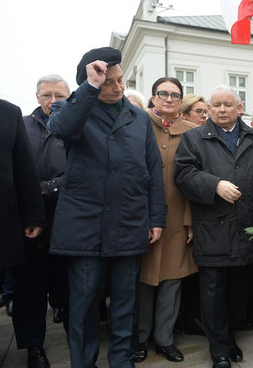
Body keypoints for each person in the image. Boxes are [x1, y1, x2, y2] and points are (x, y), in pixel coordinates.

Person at [47, 47, 166, 368]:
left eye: (119, 80)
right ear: (91, 82)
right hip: (86, 227)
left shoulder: (139, 117)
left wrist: (156, 217)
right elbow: (60, 129)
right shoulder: (71, 108)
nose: (117, 87)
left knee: (126, 303)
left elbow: (153, 170)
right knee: (84, 304)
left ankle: (122, 361)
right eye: (107, 82)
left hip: (129, 223)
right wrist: (88, 87)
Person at [174, 85, 253, 368]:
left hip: (247, 227)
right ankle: (220, 351)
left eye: (228, 105)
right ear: (209, 109)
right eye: (216, 105)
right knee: (213, 293)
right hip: (213, 228)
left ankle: (229, 338)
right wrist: (214, 184)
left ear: (240, 108)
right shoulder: (193, 138)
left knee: (240, 293)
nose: (222, 110)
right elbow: (184, 174)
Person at [134, 77, 198, 363]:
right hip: (142, 218)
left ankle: (165, 338)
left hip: (176, 219)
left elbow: (195, 181)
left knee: (172, 282)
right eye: (163, 93)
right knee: (142, 282)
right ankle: (139, 338)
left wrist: (190, 221)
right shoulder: (138, 125)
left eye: (175, 94)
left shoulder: (194, 133)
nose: (169, 98)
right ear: (154, 97)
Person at [10, 74, 70, 368]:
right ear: (37, 97)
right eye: (47, 95)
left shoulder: (75, 128)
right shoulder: (19, 125)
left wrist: (43, 189)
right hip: (28, 226)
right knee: (29, 292)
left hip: (68, 224)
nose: (53, 101)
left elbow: (79, 172)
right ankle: (34, 348)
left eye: (60, 95)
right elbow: (12, 170)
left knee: (70, 292)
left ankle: (79, 344)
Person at [0, 97, 46, 362]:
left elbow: (24, 170)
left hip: (4, 228)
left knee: (27, 290)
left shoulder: (6, 113)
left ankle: (33, 347)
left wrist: (34, 215)